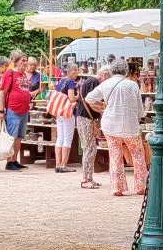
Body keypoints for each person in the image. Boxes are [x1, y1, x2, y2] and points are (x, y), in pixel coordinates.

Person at [84, 58, 147, 196]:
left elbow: (89, 98)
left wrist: (101, 107)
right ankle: (141, 186)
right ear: (126, 70)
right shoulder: (132, 85)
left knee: (115, 155)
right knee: (137, 155)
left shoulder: (106, 84)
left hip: (110, 124)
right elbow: (140, 110)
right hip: (130, 125)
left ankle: (118, 187)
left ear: (112, 70)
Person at [76, 64, 109, 189]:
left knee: (90, 148)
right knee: (89, 148)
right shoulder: (94, 81)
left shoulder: (91, 81)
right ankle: (86, 179)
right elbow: (90, 101)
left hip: (86, 118)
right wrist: (103, 109)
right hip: (85, 118)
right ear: (104, 75)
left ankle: (89, 177)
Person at [0, 49, 31, 172]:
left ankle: (15, 159)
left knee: (19, 137)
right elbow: (3, 92)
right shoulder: (10, 73)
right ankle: (9, 161)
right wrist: (2, 110)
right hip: (13, 109)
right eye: (23, 60)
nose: (25, 63)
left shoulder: (23, 74)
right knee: (11, 137)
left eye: (26, 60)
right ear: (16, 62)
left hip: (24, 110)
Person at [54, 62, 80, 174]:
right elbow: (71, 98)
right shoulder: (70, 82)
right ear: (69, 72)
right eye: (75, 70)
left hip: (59, 112)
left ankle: (58, 164)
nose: (77, 72)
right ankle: (64, 164)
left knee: (60, 137)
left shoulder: (61, 81)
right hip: (67, 112)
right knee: (67, 138)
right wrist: (79, 96)